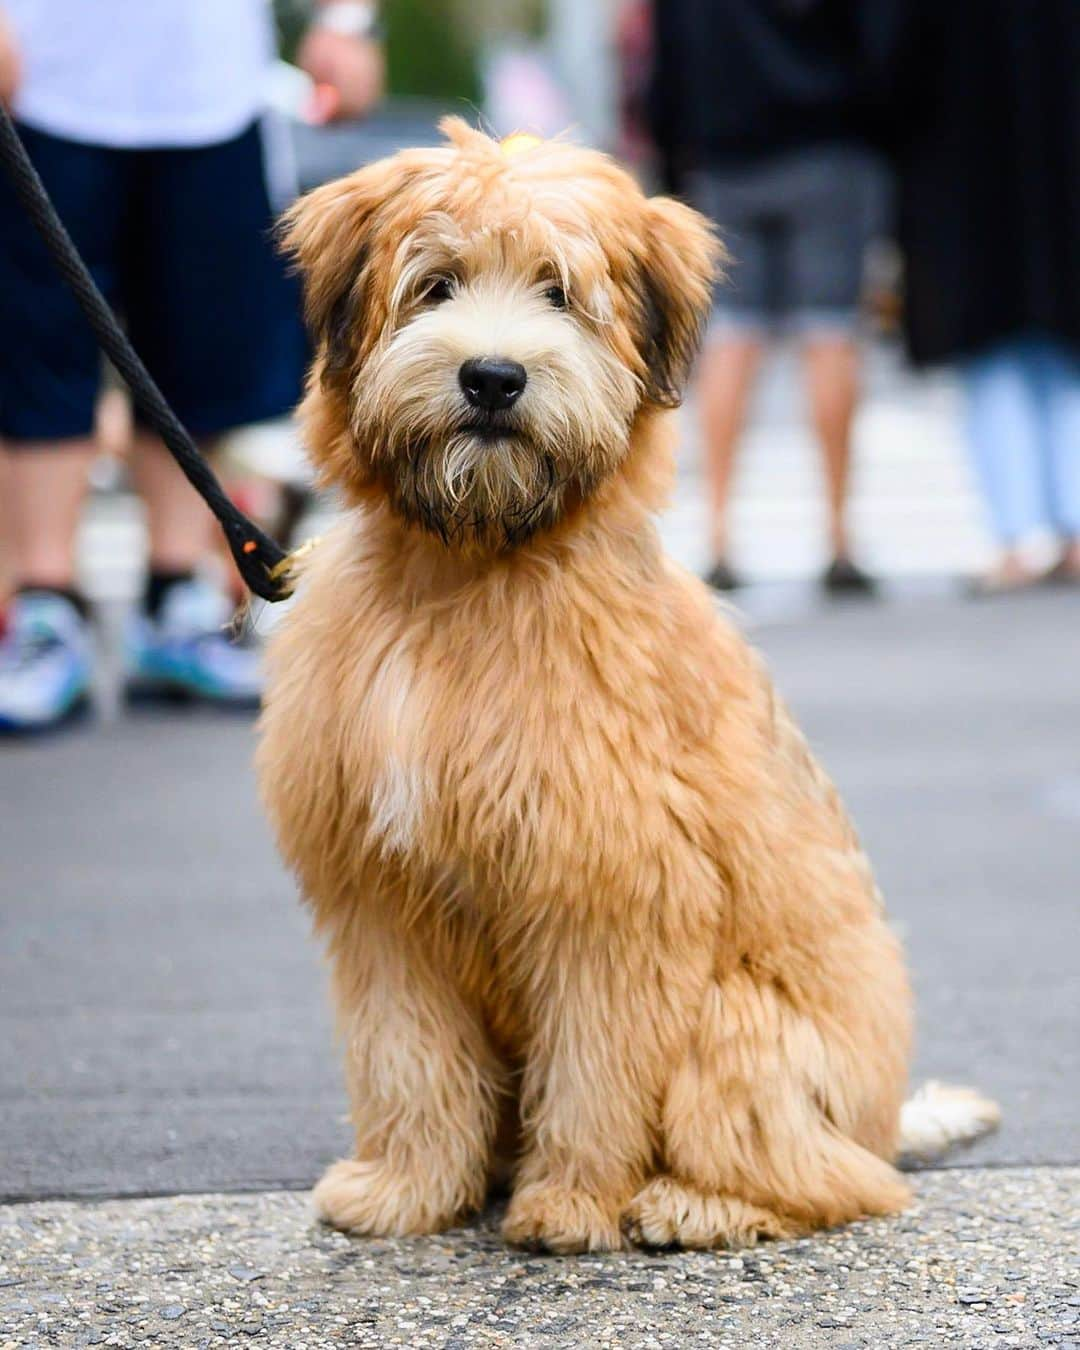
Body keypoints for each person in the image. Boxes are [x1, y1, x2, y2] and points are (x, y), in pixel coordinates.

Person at [0, 0, 383, 732]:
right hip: (42, 85)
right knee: (35, 343)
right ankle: (44, 601)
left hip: (218, 93)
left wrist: (348, 20)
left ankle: (177, 591)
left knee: (202, 351)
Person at [648, 0, 884, 594]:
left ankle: (720, 535)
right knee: (830, 332)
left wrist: (676, 149)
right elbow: (883, 39)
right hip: (830, 143)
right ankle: (838, 537)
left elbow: (665, 59)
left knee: (730, 335)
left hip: (726, 151)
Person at [881, 0, 1080, 594]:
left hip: (963, 166)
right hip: (1057, 152)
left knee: (991, 357)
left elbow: (894, 62)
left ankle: (1015, 537)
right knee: (1065, 354)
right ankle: (1064, 530)